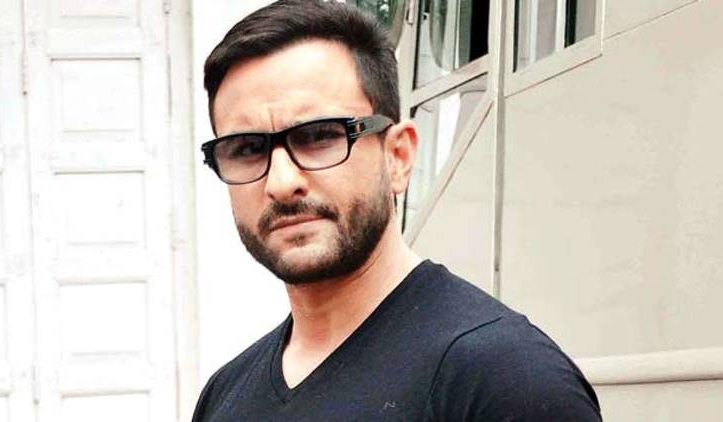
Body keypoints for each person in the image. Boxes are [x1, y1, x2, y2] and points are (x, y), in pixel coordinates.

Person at [193, 1, 601, 420]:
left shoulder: (505, 381)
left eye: (318, 136)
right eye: (247, 149)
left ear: (398, 157)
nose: (281, 182)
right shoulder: (223, 396)